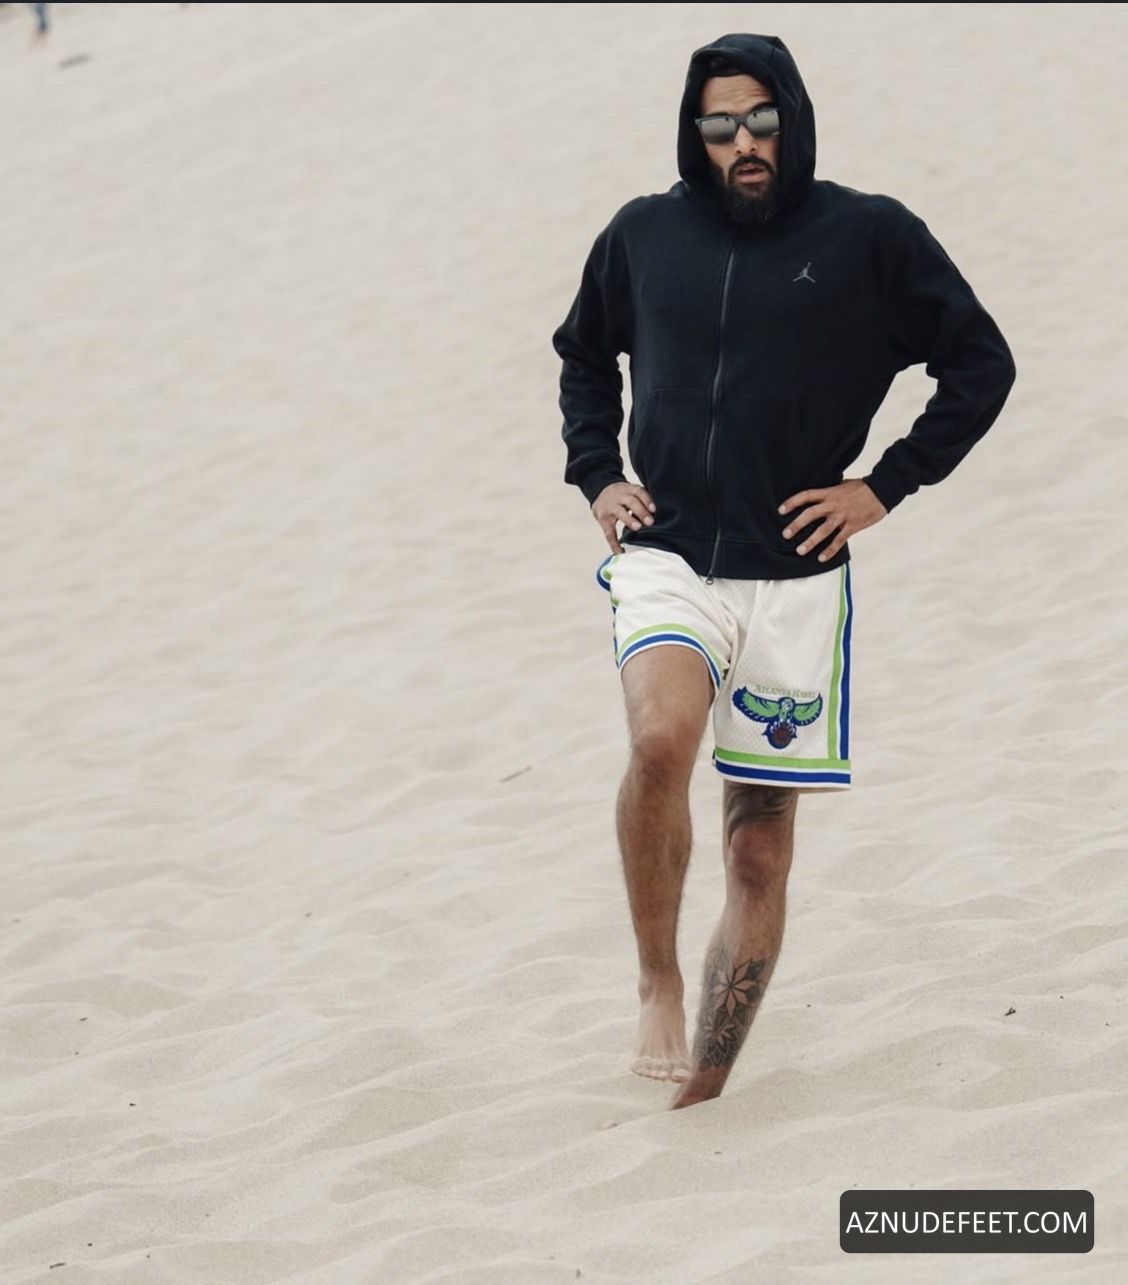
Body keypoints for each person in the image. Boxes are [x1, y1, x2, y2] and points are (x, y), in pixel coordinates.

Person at [550, 32, 1016, 1111]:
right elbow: (583, 353)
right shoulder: (645, 234)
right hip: (669, 550)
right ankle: (658, 978)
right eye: (720, 125)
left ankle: (703, 1090)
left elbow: (980, 363)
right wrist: (598, 474)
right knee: (660, 737)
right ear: (696, 133)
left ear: (792, 119)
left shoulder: (868, 235)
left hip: (795, 575)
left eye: (760, 119)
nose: (743, 142)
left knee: (756, 849)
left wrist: (884, 486)